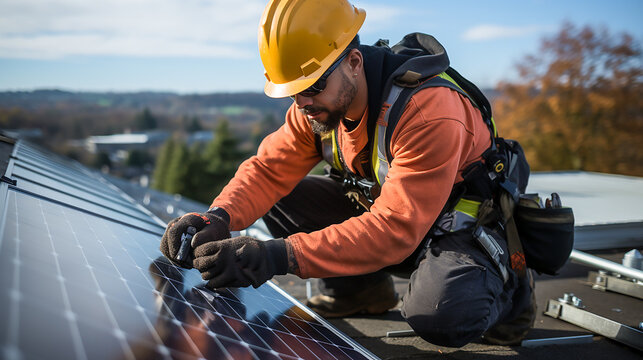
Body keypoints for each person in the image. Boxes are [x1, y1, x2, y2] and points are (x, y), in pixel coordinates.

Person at [160, 0, 535, 347]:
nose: (302, 102)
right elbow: (267, 170)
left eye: (312, 86)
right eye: (293, 93)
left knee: (440, 316)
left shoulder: (427, 110)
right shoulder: (317, 107)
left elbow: (396, 229)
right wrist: (216, 216)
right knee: (277, 196)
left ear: (354, 61)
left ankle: (511, 293)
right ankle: (360, 292)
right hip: (392, 218)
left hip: (460, 227)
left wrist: (278, 256)